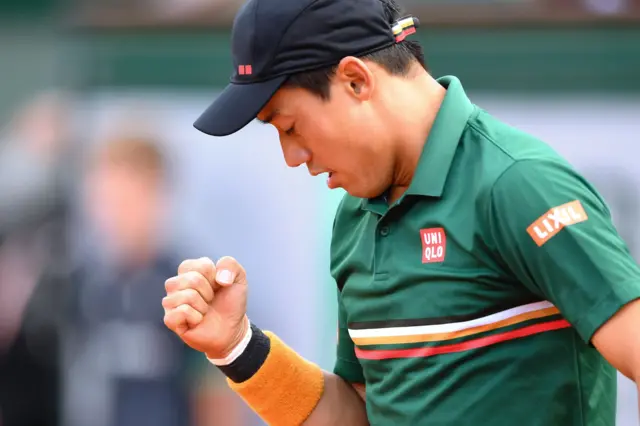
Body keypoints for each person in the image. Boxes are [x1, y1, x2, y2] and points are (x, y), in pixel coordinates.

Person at [162, 0, 640, 424]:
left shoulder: (516, 183)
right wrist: (238, 347)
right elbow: (360, 414)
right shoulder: (354, 219)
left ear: (356, 80)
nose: (291, 155)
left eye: (290, 126)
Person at [64, 136, 243, 426]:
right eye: (101, 203)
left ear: (157, 198)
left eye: (123, 203)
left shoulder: (192, 287)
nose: (110, 218)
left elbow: (217, 402)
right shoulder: (80, 283)